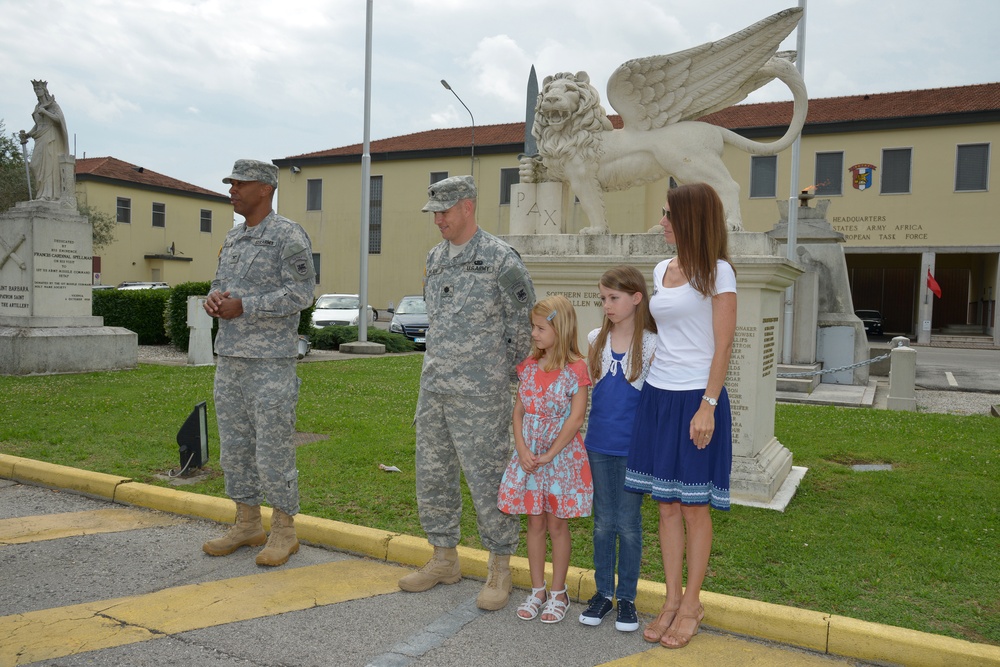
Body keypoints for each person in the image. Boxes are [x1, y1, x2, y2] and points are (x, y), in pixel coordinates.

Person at [399, 175, 535, 611]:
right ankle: (443, 558)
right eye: (434, 212)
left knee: (487, 481)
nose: (438, 219)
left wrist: (499, 378)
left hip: (482, 395)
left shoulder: (500, 259)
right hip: (435, 388)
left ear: (468, 207)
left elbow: (522, 330)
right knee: (433, 476)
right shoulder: (435, 258)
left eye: (444, 210)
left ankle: (500, 567)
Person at [625, 182, 737, 649]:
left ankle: (692, 603)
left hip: (697, 399)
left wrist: (707, 406)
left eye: (669, 214)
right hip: (658, 397)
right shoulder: (661, 268)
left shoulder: (719, 273)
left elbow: (723, 344)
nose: (662, 222)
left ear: (691, 218)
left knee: (694, 507)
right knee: (666, 505)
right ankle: (671, 600)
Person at [201, 159, 316, 567]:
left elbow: (303, 293)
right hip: (230, 357)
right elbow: (220, 283)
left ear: (264, 189)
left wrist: (245, 306)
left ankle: (284, 530)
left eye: (239, 184)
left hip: (270, 361)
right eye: (230, 183)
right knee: (234, 447)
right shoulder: (234, 239)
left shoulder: (287, 235)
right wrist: (214, 298)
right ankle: (247, 522)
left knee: (272, 448)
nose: (232, 190)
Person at [498, 294, 592, 624]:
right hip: (530, 458)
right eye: (532, 327)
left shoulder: (576, 370)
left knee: (556, 524)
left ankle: (558, 592)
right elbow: (519, 411)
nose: (534, 334)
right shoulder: (528, 367)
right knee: (534, 522)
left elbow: (576, 418)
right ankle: (537, 589)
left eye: (539, 328)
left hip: (561, 458)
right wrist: (522, 450)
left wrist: (550, 454)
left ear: (560, 328)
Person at [578, 266, 657, 632]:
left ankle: (627, 597)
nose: (607, 305)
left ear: (636, 298)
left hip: (634, 449)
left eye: (614, 298)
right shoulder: (596, 338)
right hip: (598, 444)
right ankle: (603, 594)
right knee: (602, 522)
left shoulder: (652, 343)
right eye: (603, 299)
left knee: (628, 523)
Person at [20, 80, 69, 201]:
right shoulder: (37, 107)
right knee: (34, 165)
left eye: (39, 89)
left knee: (48, 165)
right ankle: (40, 193)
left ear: (44, 90)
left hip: (50, 136)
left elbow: (59, 120)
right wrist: (28, 135)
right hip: (40, 137)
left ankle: (48, 195)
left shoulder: (53, 105)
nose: (37, 91)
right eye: (35, 89)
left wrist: (45, 112)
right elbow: (38, 125)